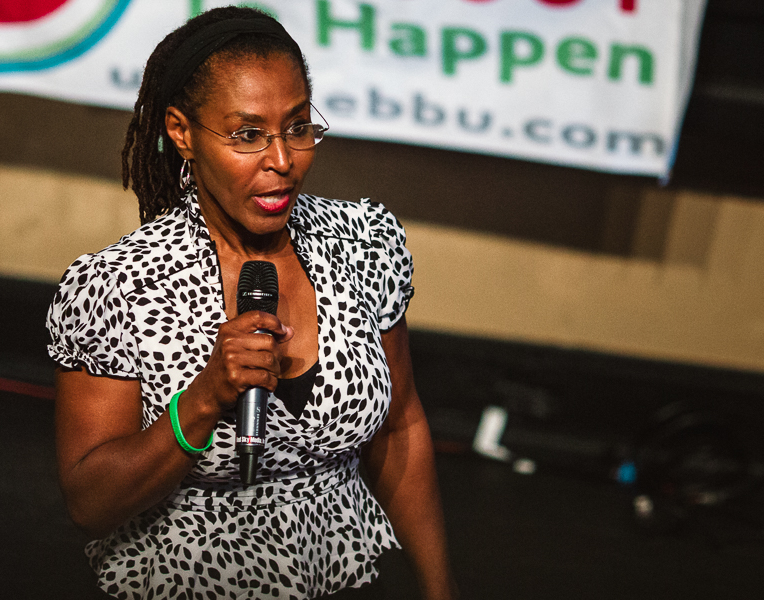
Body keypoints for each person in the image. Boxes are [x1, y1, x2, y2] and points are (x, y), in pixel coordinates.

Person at [46, 7, 456, 599]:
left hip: (345, 578)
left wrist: (440, 589)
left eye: (296, 128)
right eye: (247, 135)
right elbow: (89, 501)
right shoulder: (118, 287)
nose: (283, 161)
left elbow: (402, 423)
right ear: (182, 133)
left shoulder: (365, 243)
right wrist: (205, 399)